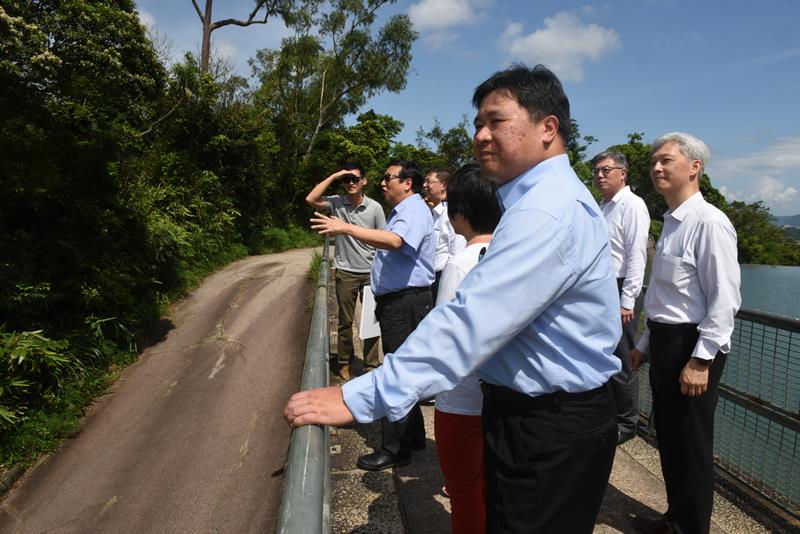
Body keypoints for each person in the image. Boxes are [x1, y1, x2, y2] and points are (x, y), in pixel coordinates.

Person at [286, 64, 622, 533]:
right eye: (477, 124)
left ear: (548, 128)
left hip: (550, 424)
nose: (481, 135)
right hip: (535, 415)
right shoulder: (537, 201)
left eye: (496, 121)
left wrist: (363, 395)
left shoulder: (548, 210)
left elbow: (472, 321)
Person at [629, 133, 741, 534]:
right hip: (665, 340)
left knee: (691, 444)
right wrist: (644, 343)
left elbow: (724, 299)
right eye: (654, 161)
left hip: (692, 345)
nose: (656, 168)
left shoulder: (709, 222)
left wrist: (700, 359)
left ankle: (692, 528)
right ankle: (674, 519)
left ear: (694, 167)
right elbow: (663, 296)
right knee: (671, 439)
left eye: (666, 161)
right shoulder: (672, 223)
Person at [309, 160, 435, 471]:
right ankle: (414, 437)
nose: (382, 183)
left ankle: (394, 449)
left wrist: (345, 227)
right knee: (404, 370)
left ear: (407, 182)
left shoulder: (413, 210)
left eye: (388, 178)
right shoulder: (406, 210)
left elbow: (395, 242)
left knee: (395, 375)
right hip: (400, 302)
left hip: (404, 304)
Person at [433, 163, 502, 534]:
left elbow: (447, 338)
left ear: (459, 212)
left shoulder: (459, 263)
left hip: (460, 398)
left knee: (462, 490)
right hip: (499, 396)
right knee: (492, 486)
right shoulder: (511, 256)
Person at [305, 163, 386, 380]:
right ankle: (344, 362)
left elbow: (384, 239)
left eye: (355, 179)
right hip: (345, 270)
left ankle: (371, 364)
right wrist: (334, 175)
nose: (350, 183)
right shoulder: (336, 202)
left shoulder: (375, 208)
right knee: (344, 321)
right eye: (346, 180)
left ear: (364, 181)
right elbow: (311, 199)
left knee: (371, 320)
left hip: (371, 271)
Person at [591, 150, 651, 444]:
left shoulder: (632, 206)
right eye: (596, 171)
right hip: (604, 286)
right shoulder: (603, 206)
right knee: (605, 354)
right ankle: (611, 413)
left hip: (622, 287)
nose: (599, 175)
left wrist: (628, 300)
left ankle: (628, 423)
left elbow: (636, 256)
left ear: (622, 173)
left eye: (605, 170)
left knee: (624, 356)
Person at [424, 167, 466, 301]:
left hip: (443, 278)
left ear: (443, 185)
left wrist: (448, 283)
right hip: (430, 278)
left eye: (429, 182)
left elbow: (456, 252)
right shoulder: (432, 213)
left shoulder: (451, 214)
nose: (425, 186)